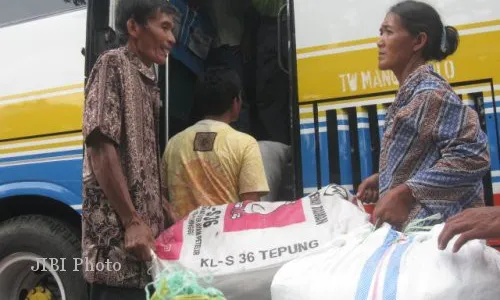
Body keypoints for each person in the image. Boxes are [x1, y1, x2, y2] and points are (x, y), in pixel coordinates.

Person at [356, 0, 490, 231]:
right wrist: (385, 177)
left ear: (418, 41)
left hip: (437, 240)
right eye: (381, 33)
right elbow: (431, 155)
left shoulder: (430, 94)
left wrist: (405, 192)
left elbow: (473, 156)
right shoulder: (412, 93)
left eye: (388, 32)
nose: (379, 42)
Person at [81, 0, 176, 298]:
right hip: (117, 261)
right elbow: (100, 147)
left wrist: (163, 207)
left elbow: (139, 166)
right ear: (133, 27)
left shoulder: (149, 81)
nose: (172, 39)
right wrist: (132, 221)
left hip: (143, 260)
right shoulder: (113, 64)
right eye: (165, 27)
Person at [161, 66, 269, 219]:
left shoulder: (173, 144)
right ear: (236, 102)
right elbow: (250, 209)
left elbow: (162, 200)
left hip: (184, 238)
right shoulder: (245, 144)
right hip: (225, 240)